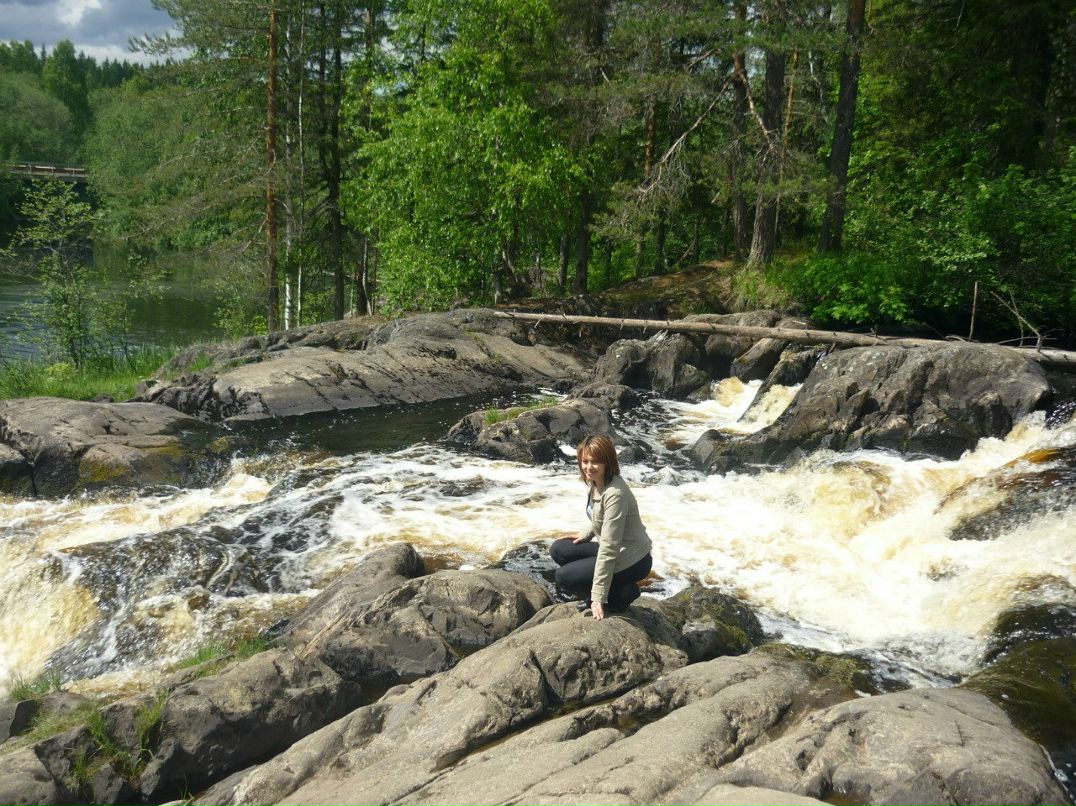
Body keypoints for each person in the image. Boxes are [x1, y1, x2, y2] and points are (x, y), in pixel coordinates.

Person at [550, 435, 653, 620]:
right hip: (616, 547)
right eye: (585, 461)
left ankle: (620, 595)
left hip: (634, 559)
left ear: (607, 462)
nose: (589, 467)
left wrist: (597, 596)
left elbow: (609, 547)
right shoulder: (596, 482)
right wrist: (586, 534)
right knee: (559, 549)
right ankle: (617, 585)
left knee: (564, 577)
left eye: (595, 462)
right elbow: (600, 517)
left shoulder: (615, 494)